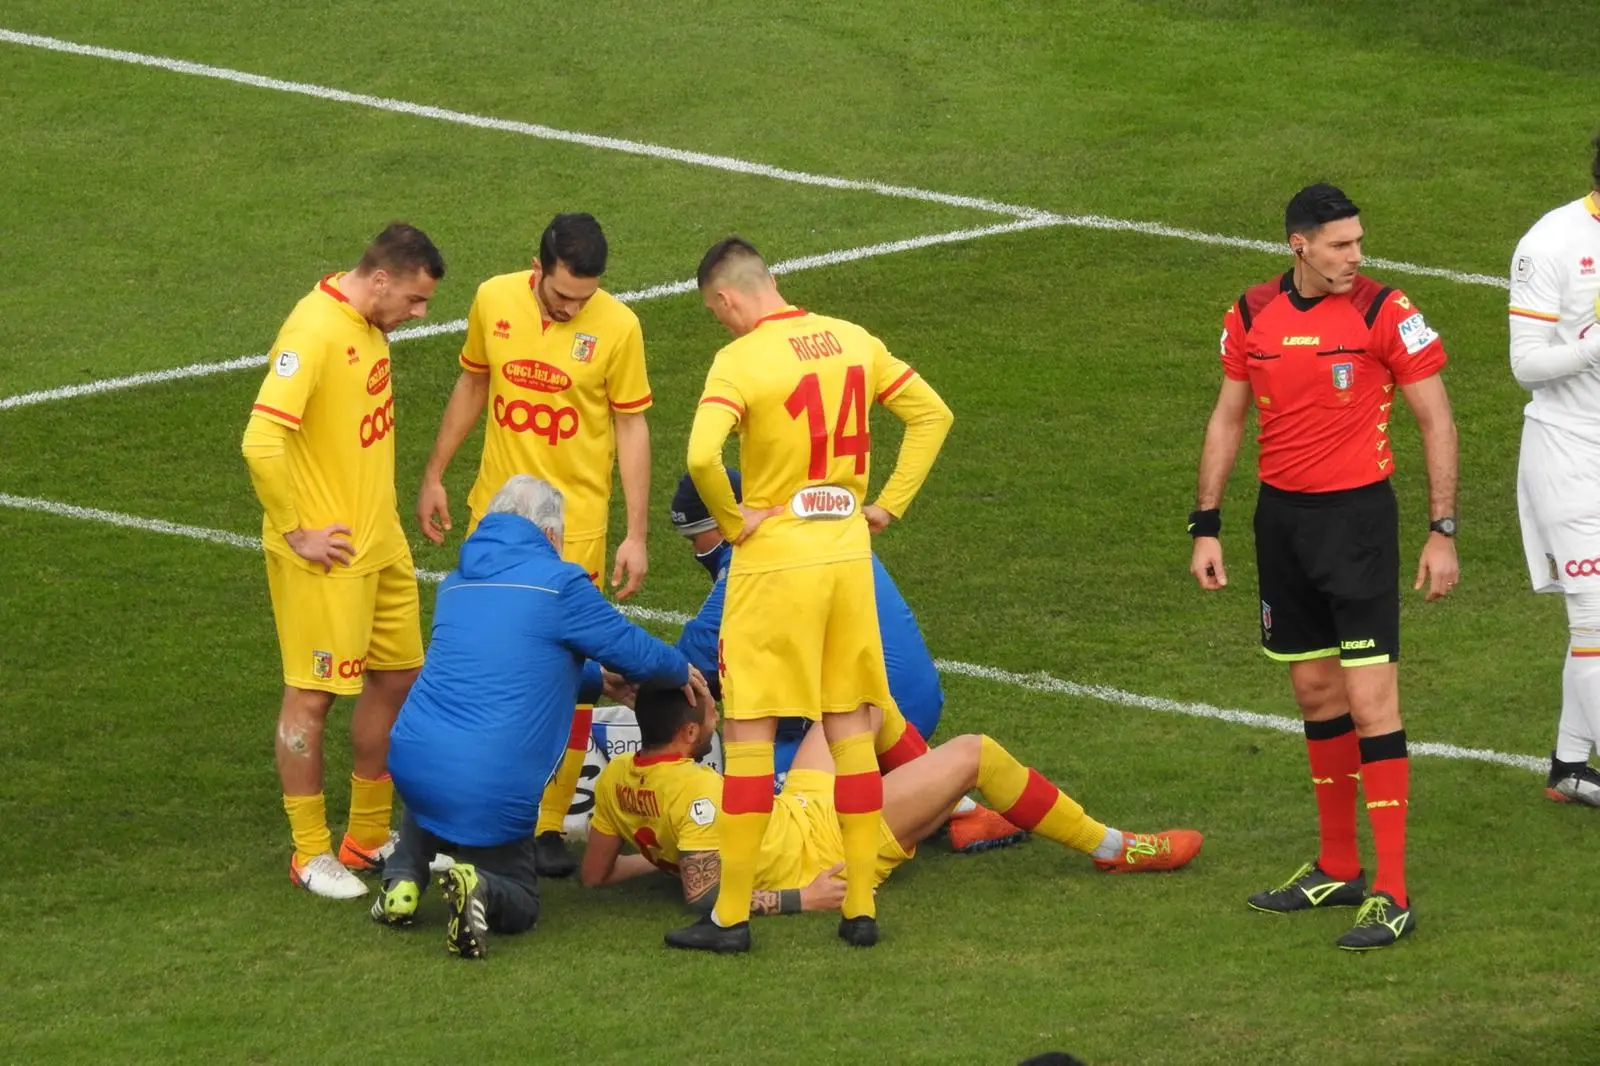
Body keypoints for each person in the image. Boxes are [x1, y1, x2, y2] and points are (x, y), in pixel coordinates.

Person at [1188, 184, 1459, 950]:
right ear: (1298, 245)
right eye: (1341, 245)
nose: (1357, 258)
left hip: (1359, 526)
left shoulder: (1385, 312)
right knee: (1314, 693)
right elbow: (1228, 416)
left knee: (1373, 703)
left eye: (1359, 242)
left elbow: (1436, 418)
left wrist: (1443, 530)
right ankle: (1338, 867)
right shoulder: (1249, 315)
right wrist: (1206, 524)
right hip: (1283, 524)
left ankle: (1393, 890)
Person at [674, 236, 954, 952]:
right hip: (846, 559)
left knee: (747, 736)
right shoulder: (852, 339)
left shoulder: (740, 360)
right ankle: (859, 908)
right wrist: (887, 506)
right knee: (852, 730)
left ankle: (729, 918)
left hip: (774, 568)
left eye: (716, 311)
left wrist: (735, 521)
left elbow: (702, 455)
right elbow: (932, 415)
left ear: (728, 296)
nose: (721, 323)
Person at [580, 685, 1202, 950]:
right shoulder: (697, 791)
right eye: (710, 712)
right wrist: (804, 898)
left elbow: (597, 877)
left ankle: (960, 818)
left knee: (860, 702)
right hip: (826, 847)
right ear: (690, 733)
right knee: (976, 752)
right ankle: (1112, 845)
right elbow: (706, 896)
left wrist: (670, 855)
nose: (717, 714)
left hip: (798, 810)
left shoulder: (616, 778)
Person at [371, 475, 708, 958]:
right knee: (522, 897)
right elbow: (633, 650)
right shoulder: (559, 583)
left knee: (436, 766)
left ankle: (403, 881)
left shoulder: (455, 584)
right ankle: (481, 885)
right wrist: (682, 669)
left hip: (411, 756)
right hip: (492, 779)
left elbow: (513, 661)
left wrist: (595, 681)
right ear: (550, 534)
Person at [415, 213, 654, 879]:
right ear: (537, 267)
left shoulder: (619, 328)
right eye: (562, 296)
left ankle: (546, 824)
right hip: (493, 521)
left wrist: (634, 533)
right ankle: (452, 813)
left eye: (584, 298)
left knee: (566, 676)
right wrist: (435, 472)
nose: (574, 308)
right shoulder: (493, 299)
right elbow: (473, 384)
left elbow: (632, 428)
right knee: (476, 660)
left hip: (570, 532)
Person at [241, 222, 445, 899]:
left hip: (377, 541)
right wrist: (297, 529)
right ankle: (308, 853)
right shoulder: (313, 332)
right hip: (325, 556)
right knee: (314, 693)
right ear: (381, 280)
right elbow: (261, 440)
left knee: (398, 677)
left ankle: (364, 834)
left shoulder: (369, 325)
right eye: (414, 301)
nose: (418, 315)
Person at [668, 469, 1026, 852]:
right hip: (894, 696)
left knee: (762, 809)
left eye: (696, 537)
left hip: (877, 706)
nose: (696, 552)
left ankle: (949, 807)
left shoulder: (760, 558)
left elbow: (693, 661)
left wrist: (617, 671)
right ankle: (940, 795)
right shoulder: (818, 531)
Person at [1507, 133, 1600, 807]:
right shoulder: (1552, 243)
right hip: (1569, 452)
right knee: (1596, 622)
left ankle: (1570, 765)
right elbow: (1526, 365)